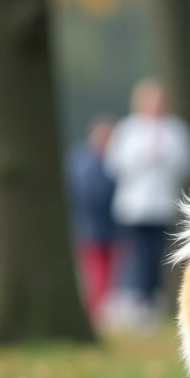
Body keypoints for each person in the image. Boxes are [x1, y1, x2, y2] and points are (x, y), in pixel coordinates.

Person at [105, 79, 190, 316]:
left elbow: (185, 164)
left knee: (157, 253)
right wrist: (143, 157)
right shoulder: (128, 129)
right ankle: (140, 299)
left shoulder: (176, 129)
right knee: (138, 254)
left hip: (162, 203)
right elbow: (114, 163)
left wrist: (163, 158)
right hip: (134, 204)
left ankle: (153, 298)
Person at [66, 115, 118, 322]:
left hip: (109, 226)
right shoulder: (82, 161)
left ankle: (98, 308)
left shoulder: (113, 158)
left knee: (107, 269)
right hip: (89, 225)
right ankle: (93, 310)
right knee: (94, 269)